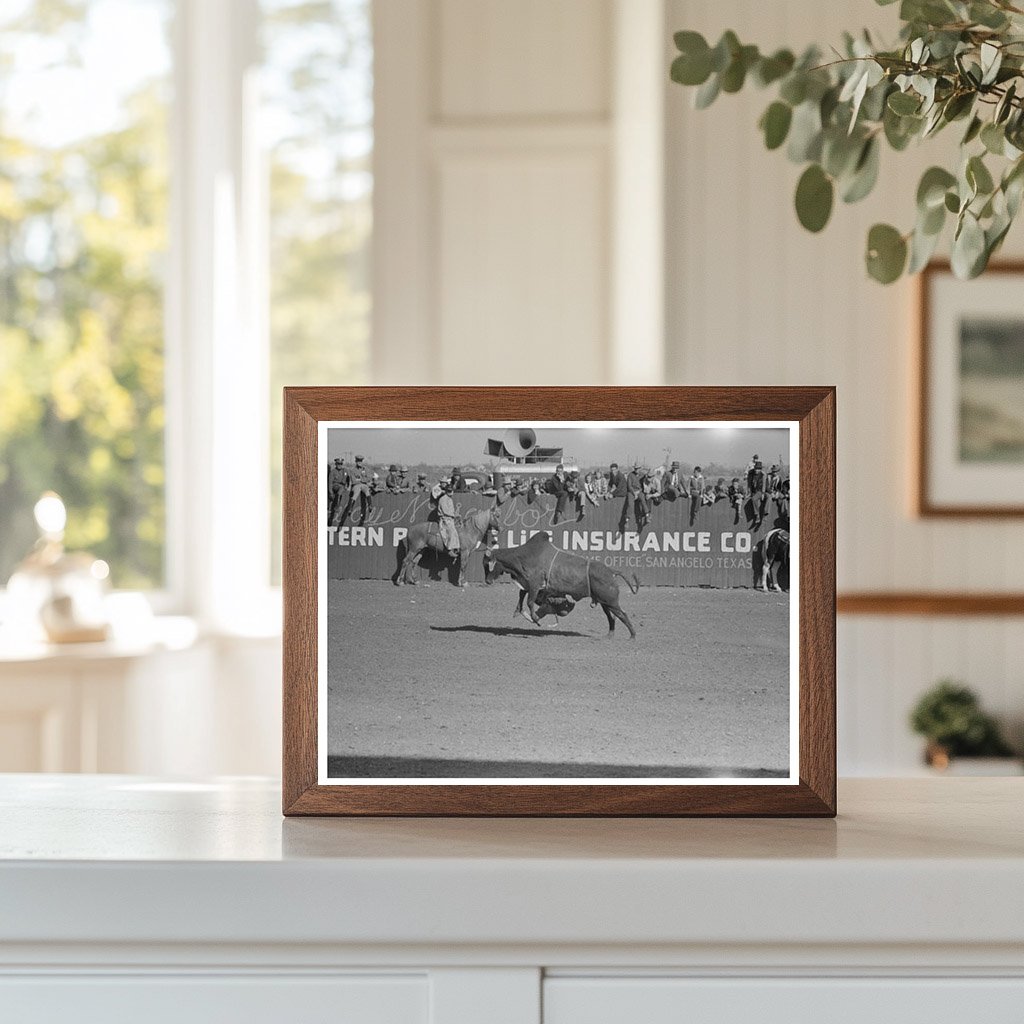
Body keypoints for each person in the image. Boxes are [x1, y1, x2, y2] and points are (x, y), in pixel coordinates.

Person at [436, 481, 460, 555]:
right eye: (449, 491)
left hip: (450, 519)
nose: (451, 493)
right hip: (445, 520)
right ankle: (449, 549)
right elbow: (445, 511)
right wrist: (454, 515)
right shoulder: (443, 499)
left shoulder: (449, 499)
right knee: (451, 531)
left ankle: (456, 547)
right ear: (446, 491)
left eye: (452, 491)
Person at [348, 455, 373, 525]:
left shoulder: (365, 469)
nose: (359, 463)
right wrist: (362, 480)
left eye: (360, 461)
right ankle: (350, 508)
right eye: (358, 461)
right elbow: (353, 481)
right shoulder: (352, 470)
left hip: (363, 485)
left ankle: (370, 505)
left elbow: (369, 478)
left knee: (367, 491)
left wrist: (361, 479)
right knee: (356, 493)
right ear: (356, 462)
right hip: (356, 485)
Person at [327, 457, 350, 525]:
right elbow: (330, 482)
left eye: (340, 464)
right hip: (335, 486)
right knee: (330, 503)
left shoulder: (345, 470)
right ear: (336, 464)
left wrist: (347, 486)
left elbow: (348, 479)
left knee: (341, 489)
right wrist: (330, 492)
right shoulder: (333, 472)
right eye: (338, 464)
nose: (339, 465)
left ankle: (337, 504)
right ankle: (330, 517)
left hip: (341, 486)